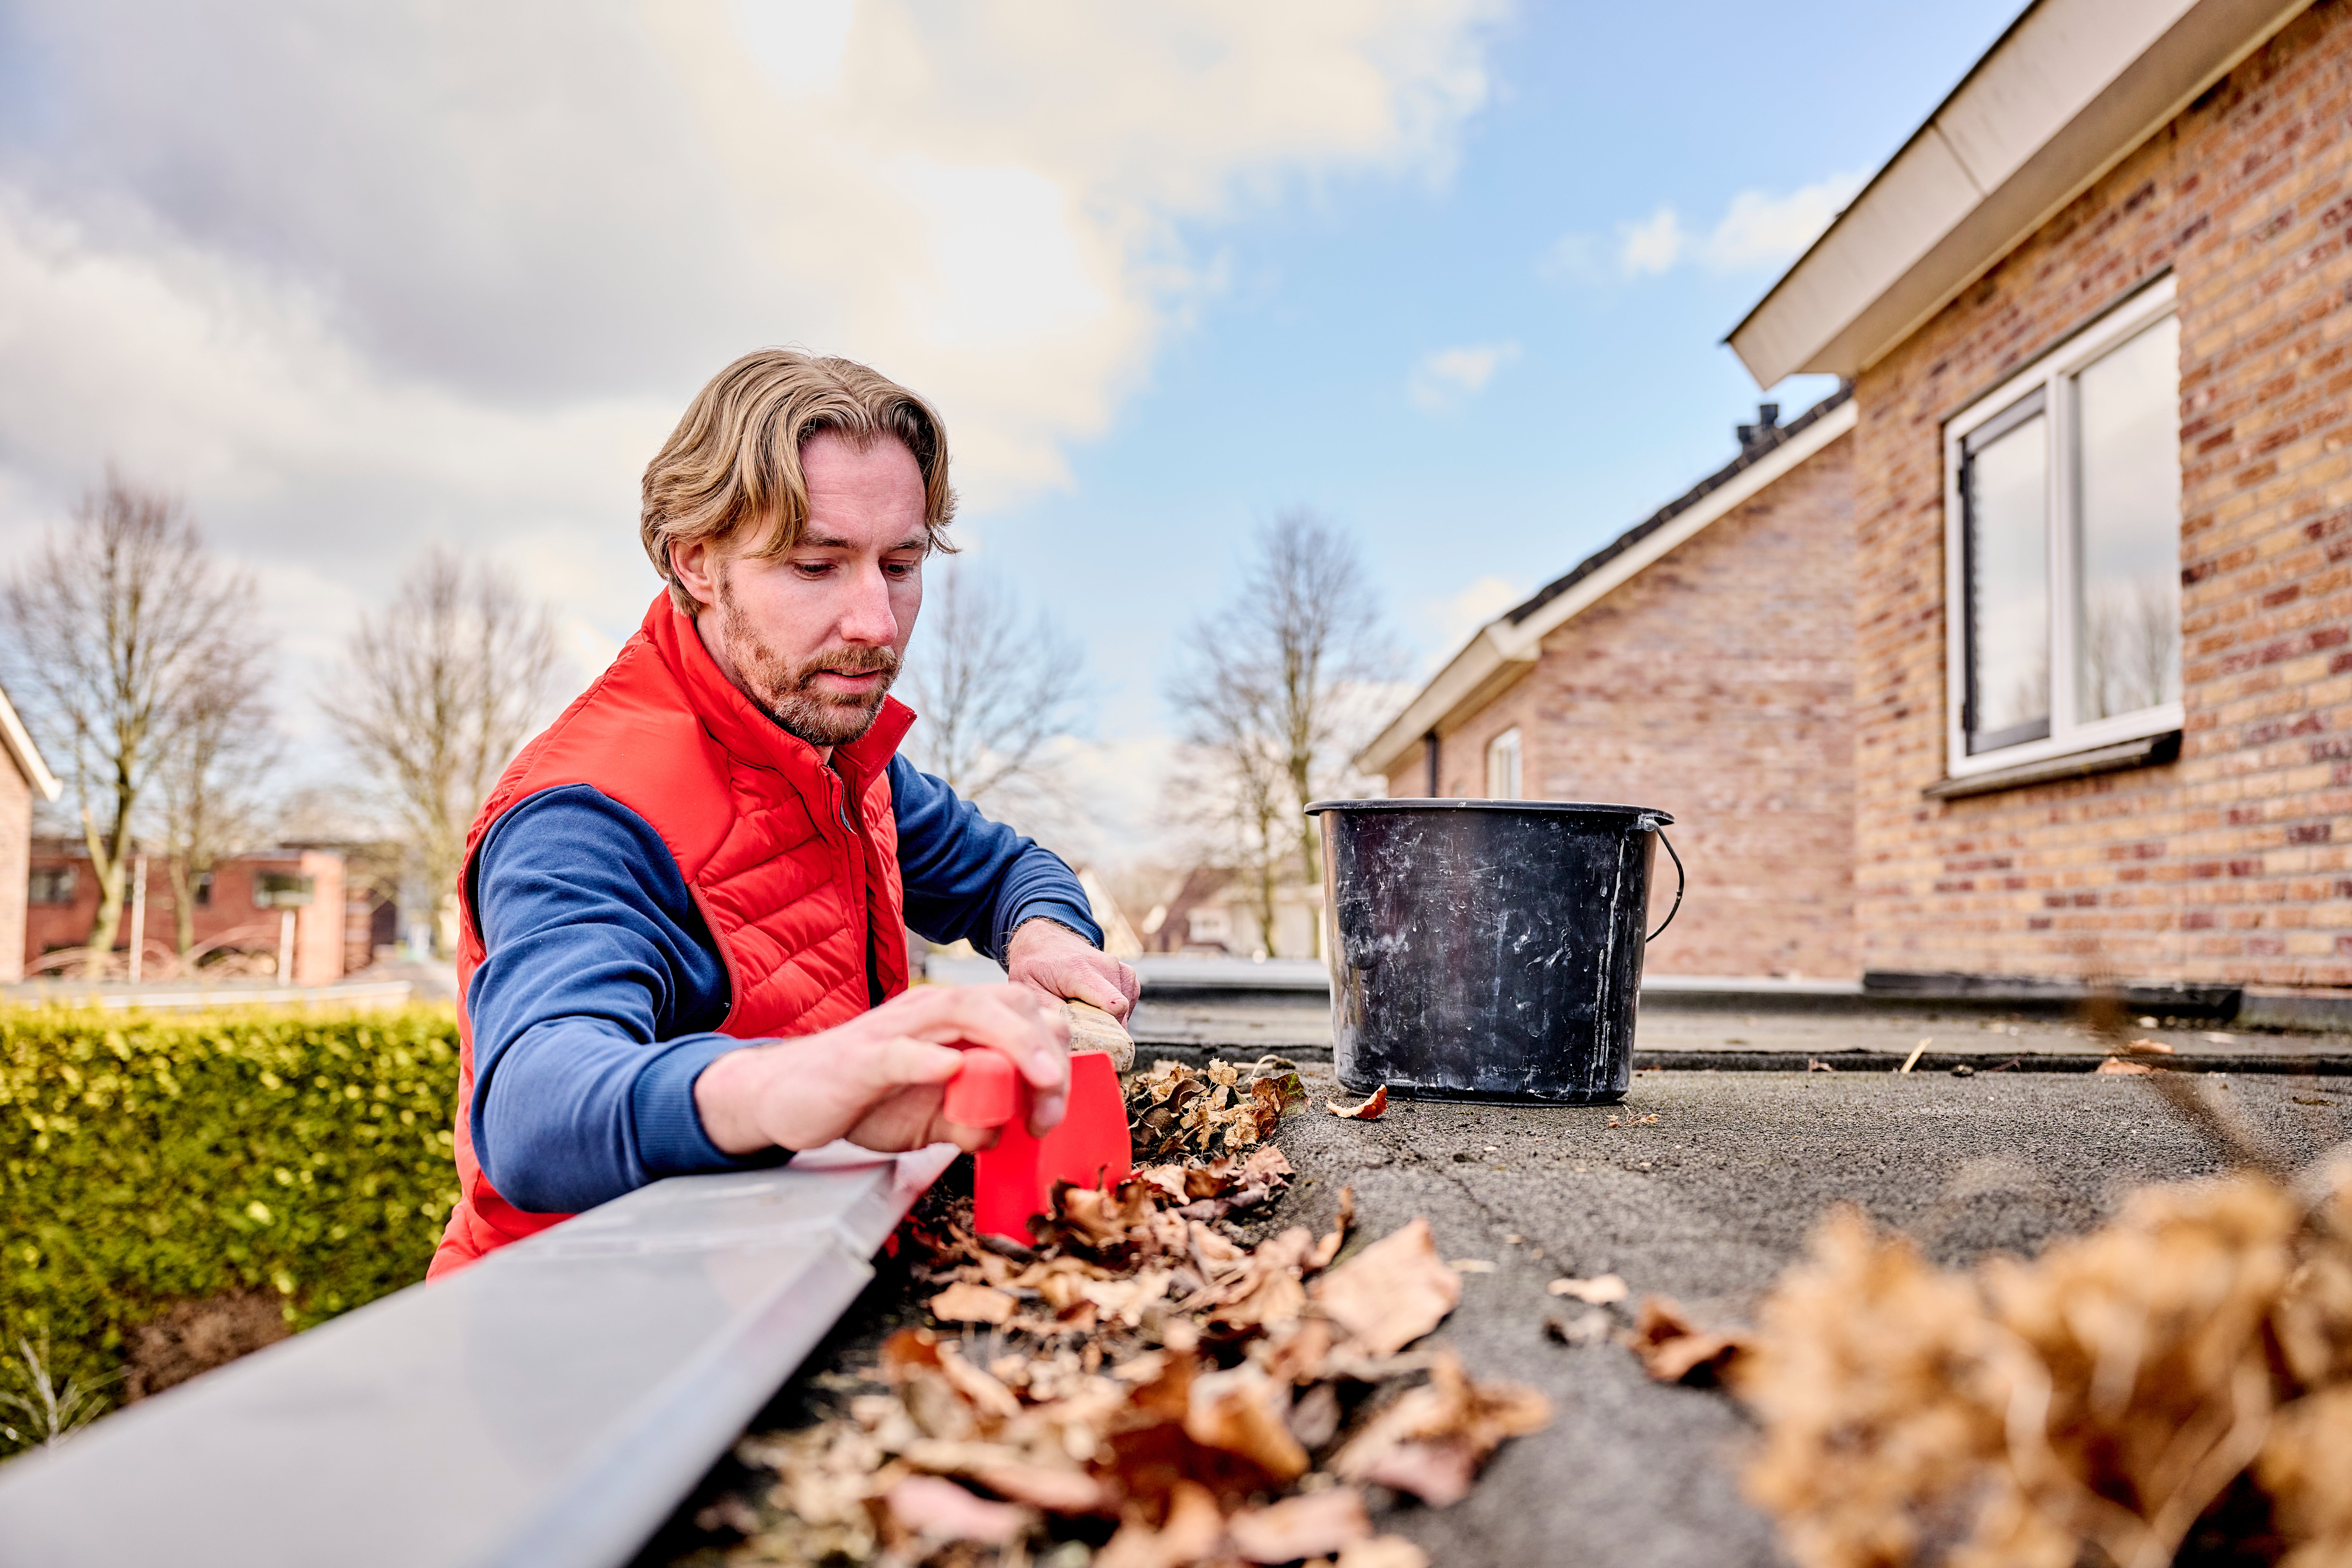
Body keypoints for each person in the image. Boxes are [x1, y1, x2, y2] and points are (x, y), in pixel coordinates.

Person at [428, 349, 1139, 1276]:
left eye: (901, 565)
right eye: (817, 565)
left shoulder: (834, 753)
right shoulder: (586, 811)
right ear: (698, 563)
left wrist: (1043, 940)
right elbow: (533, 1108)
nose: (876, 623)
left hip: (786, 1294)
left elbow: (1010, 870)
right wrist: (799, 1082)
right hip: (573, 1349)